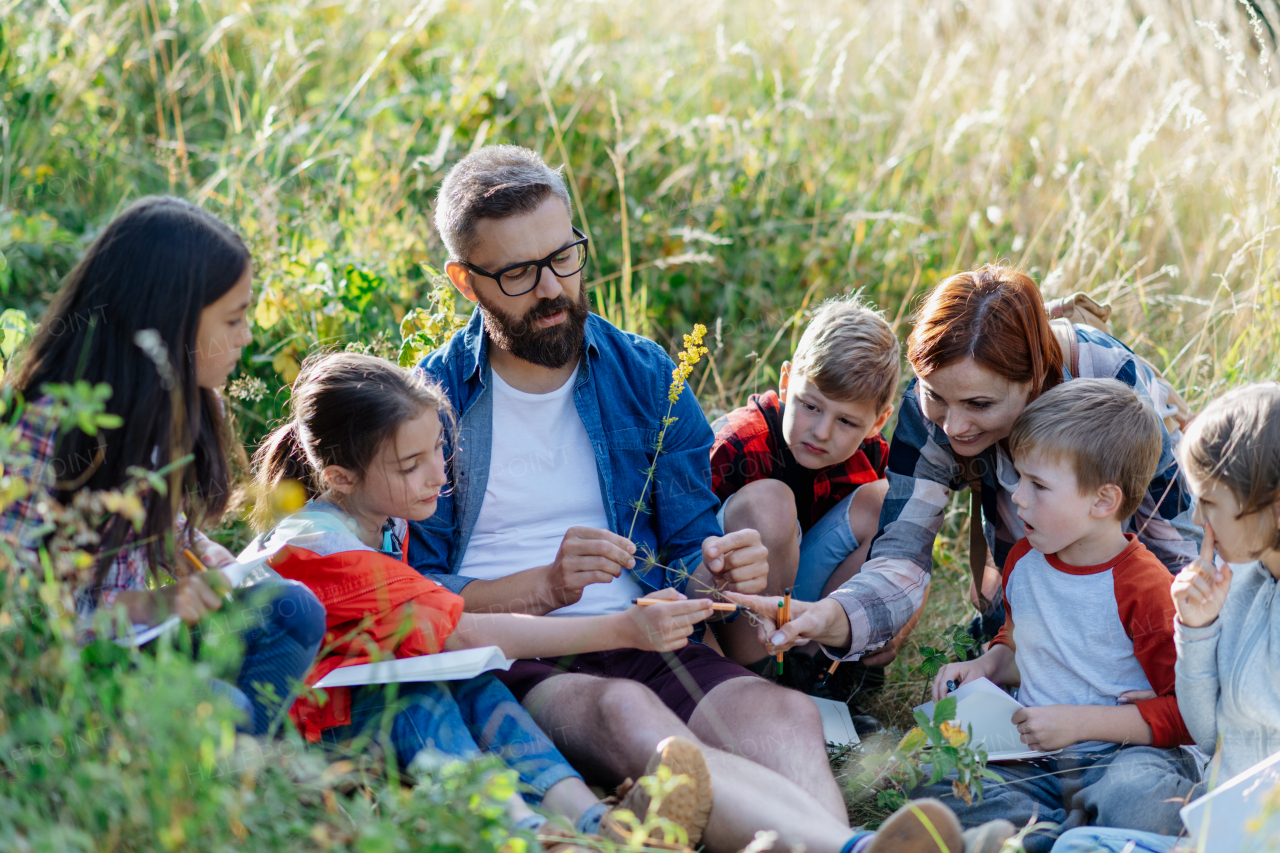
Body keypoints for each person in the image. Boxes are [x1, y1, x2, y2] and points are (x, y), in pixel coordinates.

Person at [405, 143, 955, 853]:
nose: (552, 288)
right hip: (527, 657)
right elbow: (414, 594)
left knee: (785, 715)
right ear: (465, 280)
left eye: (563, 257)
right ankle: (847, 849)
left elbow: (694, 546)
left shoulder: (643, 373)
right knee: (631, 713)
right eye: (518, 272)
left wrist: (720, 569)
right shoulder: (432, 402)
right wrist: (541, 587)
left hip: (653, 635)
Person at [244, 351, 718, 847]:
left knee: (477, 685)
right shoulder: (319, 545)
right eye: (411, 465)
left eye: (437, 450)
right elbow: (461, 629)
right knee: (414, 699)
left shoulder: (380, 518)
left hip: (347, 703)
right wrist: (623, 629)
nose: (437, 476)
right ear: (341, 477)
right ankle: (532, 835)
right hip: (300, 734)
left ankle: (597, 825)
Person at [730, 264, 1201, 668]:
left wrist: (1171, 651)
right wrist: (837, 616)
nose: (954, 427)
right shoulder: (926, 410)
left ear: (1033, 381)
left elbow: (1180, 547)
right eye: (936, 396)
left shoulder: (1110, 377)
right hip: (1024, 569)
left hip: (1135, 586)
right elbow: (901, 556)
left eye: (979, 403)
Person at [0, 196, 325, 737]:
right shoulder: (49, 426)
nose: (247, 335)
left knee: (294, 610)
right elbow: (23, 609)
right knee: (223, 710)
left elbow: (147, 518)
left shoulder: (177, 405)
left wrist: (197, 550)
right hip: (68, 667)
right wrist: (155, 604)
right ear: (170, 322)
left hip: (139, 639)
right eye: (234, 317)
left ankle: (235, 774)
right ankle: (200, 779)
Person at [907, 379, 1197, 850]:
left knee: (1146, 800)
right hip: (1031, 755)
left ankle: (1058, 834)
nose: (1018, 497)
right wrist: (984, 667)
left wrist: (1079, 724)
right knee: (936, 781)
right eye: (1020, 477)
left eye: (1038, 485)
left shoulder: (1144, 587)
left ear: (1103, 501)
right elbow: (1024, 645)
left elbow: (1185, 712)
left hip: (1121, 754)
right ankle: (1061, 835)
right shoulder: (1026, 558)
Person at [1052, 383, 1280, 853]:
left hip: (1254, 836)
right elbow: (1208, 733)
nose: (1197, 520)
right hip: (1220, 827)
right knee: (1075, 846)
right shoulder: (1240, 585)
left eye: (1211, 504)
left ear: (1272, 507)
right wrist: (1196, 630)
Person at [708, 293, 898, 670]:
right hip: (733, 610)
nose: (822, 431)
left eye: (846, 421)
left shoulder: (873, 455)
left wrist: (892, 625)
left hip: (804, 606)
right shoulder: (740, 443)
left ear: (877, 422)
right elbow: (681, 549)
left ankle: (817, 670)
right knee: (772, 502)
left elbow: (910, 556)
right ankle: (761, 673)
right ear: (785, 380)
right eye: (810, 406)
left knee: (890, 504)